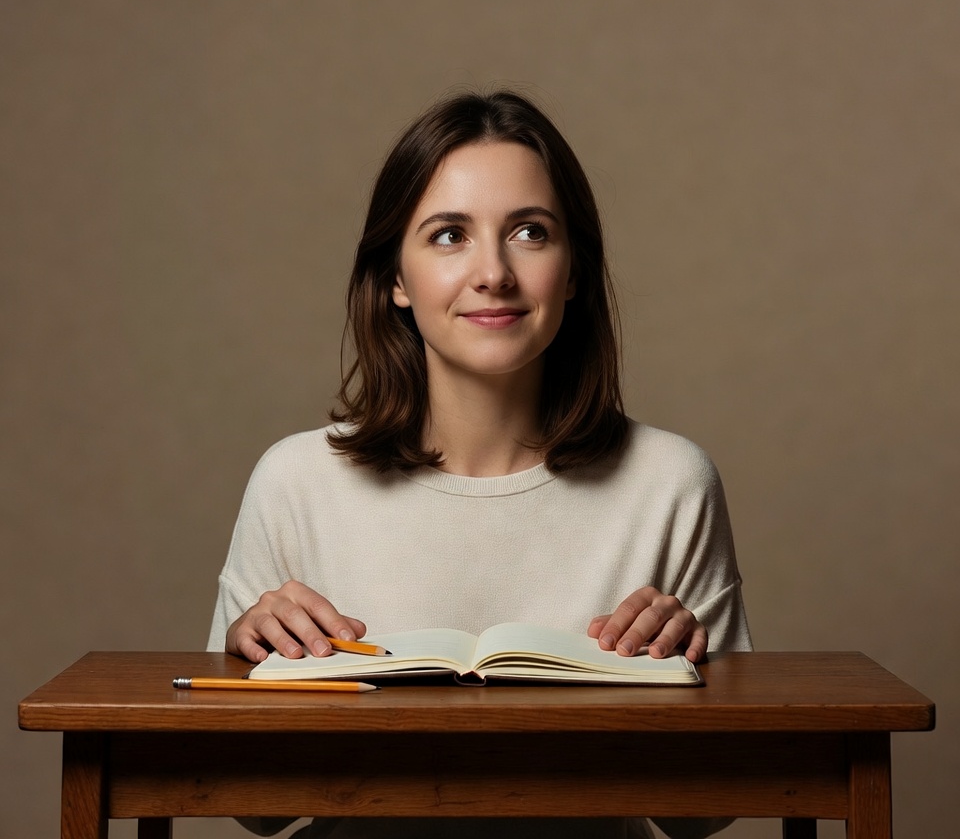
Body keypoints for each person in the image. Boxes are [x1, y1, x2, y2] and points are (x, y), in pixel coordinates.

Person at [208, 89, 752, 839]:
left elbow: (707, 817)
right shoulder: (295, 482)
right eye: (448, 236)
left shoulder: (670, 483)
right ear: (396, 279)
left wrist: (683, 676)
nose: (492, 272)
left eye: (530, 232)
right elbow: (253, 812)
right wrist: (251, 669)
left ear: (574, 271)